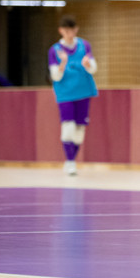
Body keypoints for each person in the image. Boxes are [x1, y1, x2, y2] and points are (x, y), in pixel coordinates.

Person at [48, 15, 98, 176]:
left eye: (72, 30)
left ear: (76, 29)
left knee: (79, 130)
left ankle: (72, 159)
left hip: (83, 92)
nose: (70, 33)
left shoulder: (84, 45)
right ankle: (70, 161)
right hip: (65, 94)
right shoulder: (54, 50)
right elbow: (55, 76)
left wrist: (88, 64)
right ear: (61, 31)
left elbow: (93, 68)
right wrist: (62, 63)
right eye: (66, 30)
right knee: (68, 127)